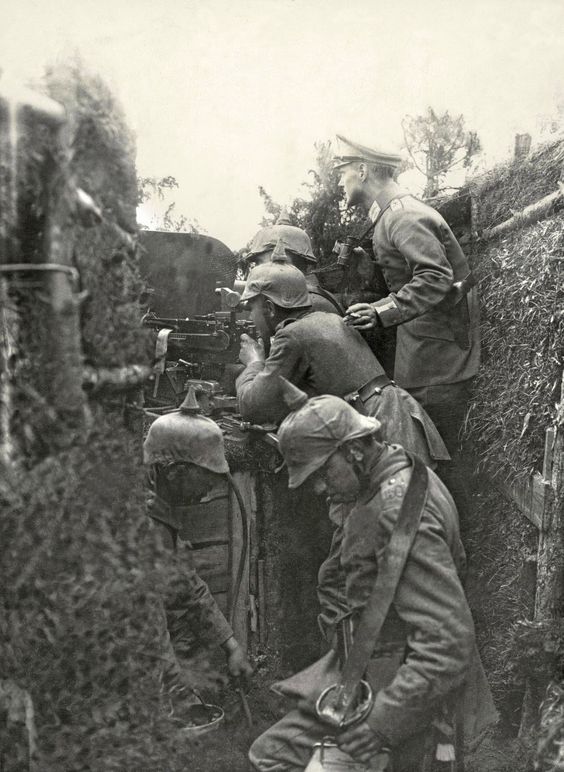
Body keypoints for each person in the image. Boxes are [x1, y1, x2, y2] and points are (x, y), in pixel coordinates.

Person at [249, 389, 496, 772]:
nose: (318, 488)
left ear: (354, 450)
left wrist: (381, 725)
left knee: (274, 757)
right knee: (276, 750)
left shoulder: (395, 512)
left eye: (322, 472)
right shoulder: (407, 471)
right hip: (374, 670)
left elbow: (446, 641)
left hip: (402, 692)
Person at [333, 135, 480, 462]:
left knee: (435, 461)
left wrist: (380, 310)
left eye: (342, 172)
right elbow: (407, 275)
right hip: (425, 352)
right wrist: (370, 272)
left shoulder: (403, 215)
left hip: (438, 365)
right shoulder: (390, 215)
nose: (340, 181)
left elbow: (435, 277)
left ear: (362, 170)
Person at [236, 261, 448, 469]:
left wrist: (254, 362)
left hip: (380, 436)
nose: (251, 316)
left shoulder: (292, 336)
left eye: (251, 308)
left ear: (269, 308)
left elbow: (253, 407)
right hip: (397, 422)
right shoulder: (331, 319)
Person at [143, 390, 252, 683]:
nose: (209, 489)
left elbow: (186, 583)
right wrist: (181, 688)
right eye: (205, 478)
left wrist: (231, 647)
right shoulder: (142, 527)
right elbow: (148, 629)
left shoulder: (160, 504)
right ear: (175, 471)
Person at [244, 210, 344, 315]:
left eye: (260, 263)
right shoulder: (313, 297)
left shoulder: (306, 303)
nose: (257, 270)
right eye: (257, 264)